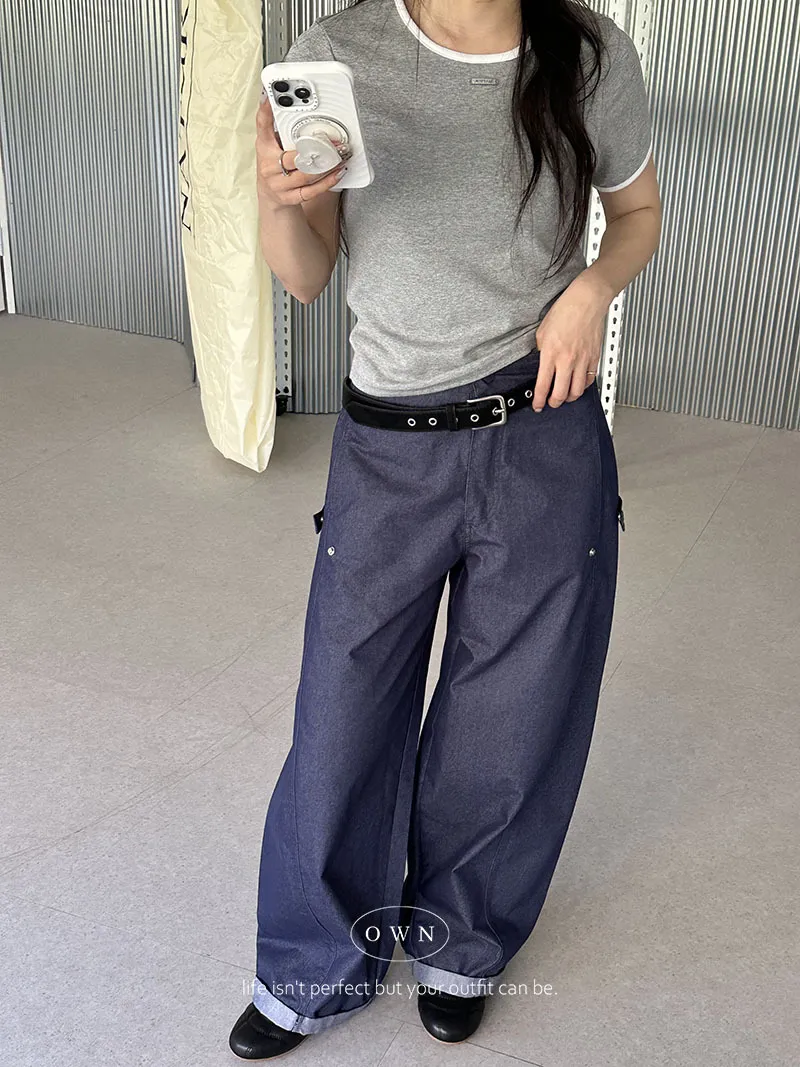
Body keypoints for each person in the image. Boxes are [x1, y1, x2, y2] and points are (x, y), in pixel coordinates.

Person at [230, 0, 661, 1057]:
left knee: (513, 709)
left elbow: (638, 211)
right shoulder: (340, 54)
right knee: (341, 708)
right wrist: (277, 199)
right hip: (390, 443)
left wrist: (591, 290)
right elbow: (305, 273)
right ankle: (311, 965)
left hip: (542, 426)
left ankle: (461, 945)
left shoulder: (588, 52)